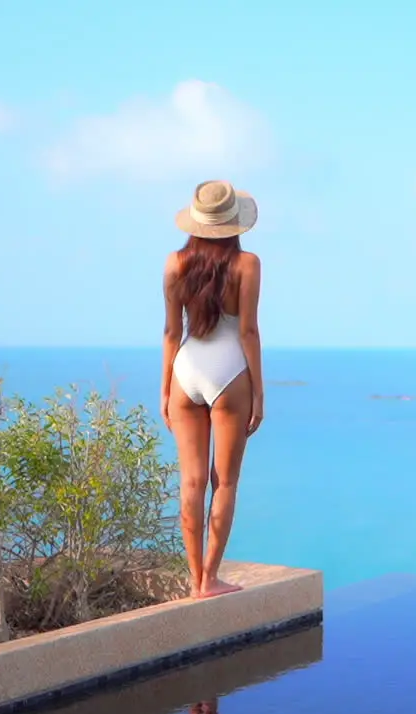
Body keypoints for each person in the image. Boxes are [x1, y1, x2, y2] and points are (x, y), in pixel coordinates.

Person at [160, 180, 265, 599]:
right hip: (229, 372)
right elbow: (249, 331)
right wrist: (259, 392)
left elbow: (171, 332)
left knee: (191, 482)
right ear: (234, 223)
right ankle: (210, 579)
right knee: (224, 483)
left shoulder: (175, 263)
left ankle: (192, 581)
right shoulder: (248, 264)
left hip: (186, 369)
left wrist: (165, 390)